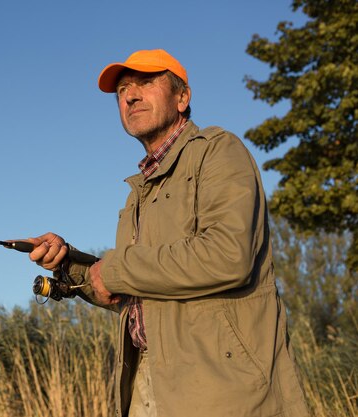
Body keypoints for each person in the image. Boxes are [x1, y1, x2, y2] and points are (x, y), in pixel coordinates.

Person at [25, 50, 309, 417]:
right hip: (148, 383)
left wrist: (112, 270)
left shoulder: (218, 151)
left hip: (221, 392)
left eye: (145, 82)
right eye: (123, 89)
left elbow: (227, 257)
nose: (130, 95)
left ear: (182, 97)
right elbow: (136, 293)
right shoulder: (138, 192)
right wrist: (70, 268)